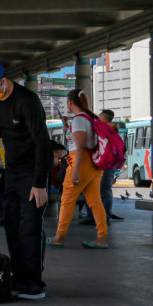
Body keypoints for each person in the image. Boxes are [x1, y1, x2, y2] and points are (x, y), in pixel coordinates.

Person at [0, 61, 49, 300]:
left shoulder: (28, 101)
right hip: (11, 171)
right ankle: (20, 277)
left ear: (3, 82)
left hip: (31, 172)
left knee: (29, 229)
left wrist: (39, 183)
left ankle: (34, 284)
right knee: (12, 228)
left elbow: (43, 143)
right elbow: (2, 130)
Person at [46, 89, 108, 250]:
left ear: (70, 103)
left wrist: (76, 170)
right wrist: (66, 126)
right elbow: (80, 141)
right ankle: (102, 238)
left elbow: (79, 147)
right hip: (94, 165)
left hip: (81, 162)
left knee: (66, 201)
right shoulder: (88, 118)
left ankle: (59, 237)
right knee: (95, 202)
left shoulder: (79, 120)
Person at [80, 109, 123, 225]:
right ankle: (94, 217)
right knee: (94, 190)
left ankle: (103, 218)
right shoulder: (100, 127)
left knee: (103, 191)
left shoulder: (110, 128)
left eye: (101, 116)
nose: (99, 117)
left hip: (106, 163)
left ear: (105, 117)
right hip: (99, 162)